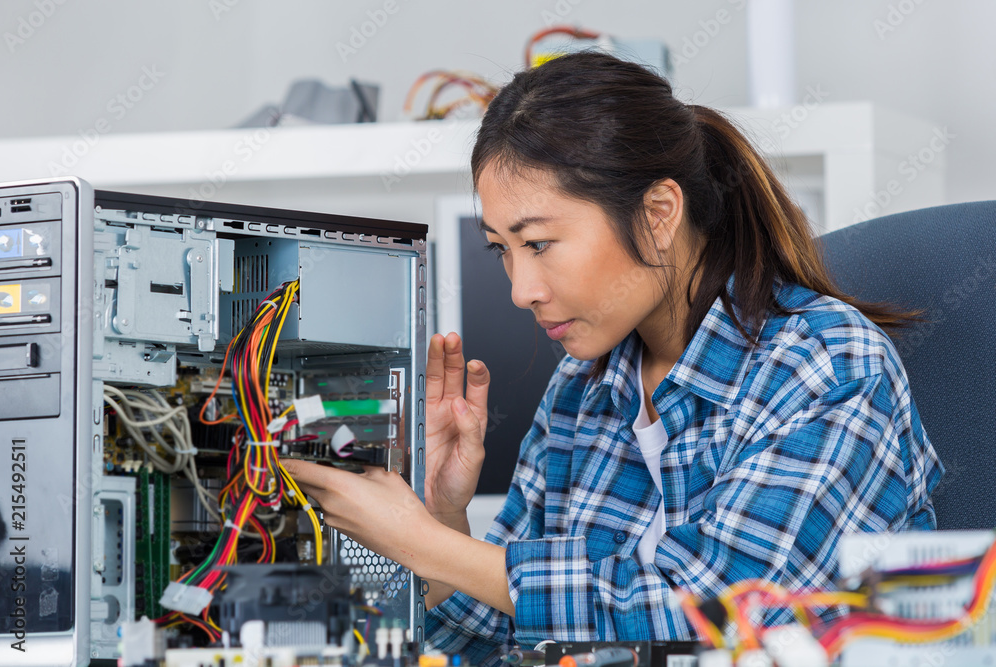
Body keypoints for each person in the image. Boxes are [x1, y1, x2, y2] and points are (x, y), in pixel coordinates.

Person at [282, 52, 943, 664]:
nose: (520, 290)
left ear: (658, 213)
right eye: (500, 250)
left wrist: (421, 542)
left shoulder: (825, 365)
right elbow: (502, 640)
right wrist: (443, 517)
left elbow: (719, 611)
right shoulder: (583, 388)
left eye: (538, 243)